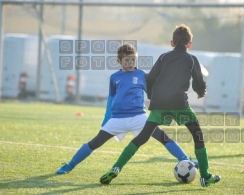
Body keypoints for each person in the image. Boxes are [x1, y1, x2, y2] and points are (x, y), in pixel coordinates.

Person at [99, 24, 221, 187]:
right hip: (179, 104)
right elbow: (199, 82)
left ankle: (116, 167)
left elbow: (149, 78)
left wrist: (153, 97)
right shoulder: (192, 59)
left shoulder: (163, 57)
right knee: (197, 135)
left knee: (142, 137)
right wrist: (201, 91)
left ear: (172, 43)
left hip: (160, 104)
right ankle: (205, 176)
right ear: (189, 44)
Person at [56, 44, 197, 174]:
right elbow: (111, 98)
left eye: (133, 60)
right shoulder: (114, 77)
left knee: (163, 137)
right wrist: (107, 117)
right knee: (95, 143)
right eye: (127, 60)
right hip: (117, 118)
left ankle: (186, 160)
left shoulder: (142, 75)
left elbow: (153, 94)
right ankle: (69, 165)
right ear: (119, 61)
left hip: (139, 117)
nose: (130, 64)